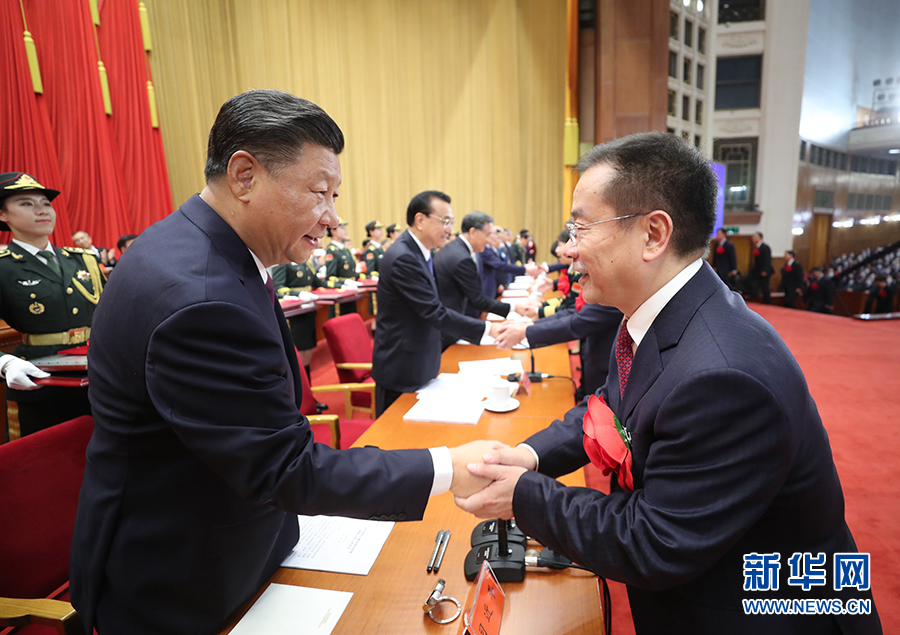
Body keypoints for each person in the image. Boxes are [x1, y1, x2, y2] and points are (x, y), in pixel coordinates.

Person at [69, 90, 502, 635]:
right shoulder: (199, 294)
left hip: (243, 539)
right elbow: (285, 466)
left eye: (335, 196)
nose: (332, 218)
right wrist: (448, 467)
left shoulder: (210, 247)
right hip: (184, 581)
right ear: (244, 176)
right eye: (320, 194)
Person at [455, 132, 881, 634]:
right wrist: (529, 457)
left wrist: (524, 496)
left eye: (580, 227)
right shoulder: (656, 314)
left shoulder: (724, 377)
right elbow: (608, 407)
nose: (567, 248)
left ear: (654, 234)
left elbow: (655, 540)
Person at [371, 190, 502, 416]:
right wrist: (489, 329)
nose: (450, 229)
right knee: (397, 435)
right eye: (445, 221)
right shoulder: (403, 257)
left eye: (451, 222)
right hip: (402, 368)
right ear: (420, 220)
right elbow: (434, 312)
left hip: (421, 361)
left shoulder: (421, 252)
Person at [0, 172, 102, 437]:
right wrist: (5, 363)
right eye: (26, 203)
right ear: (3, 214)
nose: (42, 210)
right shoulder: (4, 267)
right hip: (39, 379)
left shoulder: (82, 261)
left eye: (45, 203)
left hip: (98, 373)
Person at [433, 211, 512, 347]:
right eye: (487, 235)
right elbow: (477, 299)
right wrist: (513, 308)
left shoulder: (454, 248)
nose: (489, 240)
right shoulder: (461, 257)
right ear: (473, 232)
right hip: (448, 330)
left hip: (451, 324)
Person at [271, 257, 323, 379]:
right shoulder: (284, 259)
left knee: (308, 349)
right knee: (298, 351)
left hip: (308, 308)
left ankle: (307, 384)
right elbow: (278, 287)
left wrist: (339, 285)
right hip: (295, 312)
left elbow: (317, 282)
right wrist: (298, 294)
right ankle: (299, 384)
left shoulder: (306, 260)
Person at [478, 229, 541, 298]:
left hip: (499, 284)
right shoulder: (485, 250)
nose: (496, 237)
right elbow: (501, 265)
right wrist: (525, 269)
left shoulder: (493, 249)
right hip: (489, 288)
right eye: (495, 235)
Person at [323, 217, 358, 287]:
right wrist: (344, 282)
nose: (345, 231)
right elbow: (330, 277)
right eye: (342, 228)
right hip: (342, 287)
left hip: (353, 285)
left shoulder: (346, 249)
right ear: (333, 231)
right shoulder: (332, 250)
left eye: (345, 228)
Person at [747, 231, 773, 304]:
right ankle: (755, 294)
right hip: (757, 270)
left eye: (755, 237)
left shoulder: (765, 247)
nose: (753, 238)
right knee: (749, 280)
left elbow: (767, 260)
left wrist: (765, 270)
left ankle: (767, 303)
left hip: (765, 270)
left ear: (760, 238)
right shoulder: (756, 247)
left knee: (765, 287)